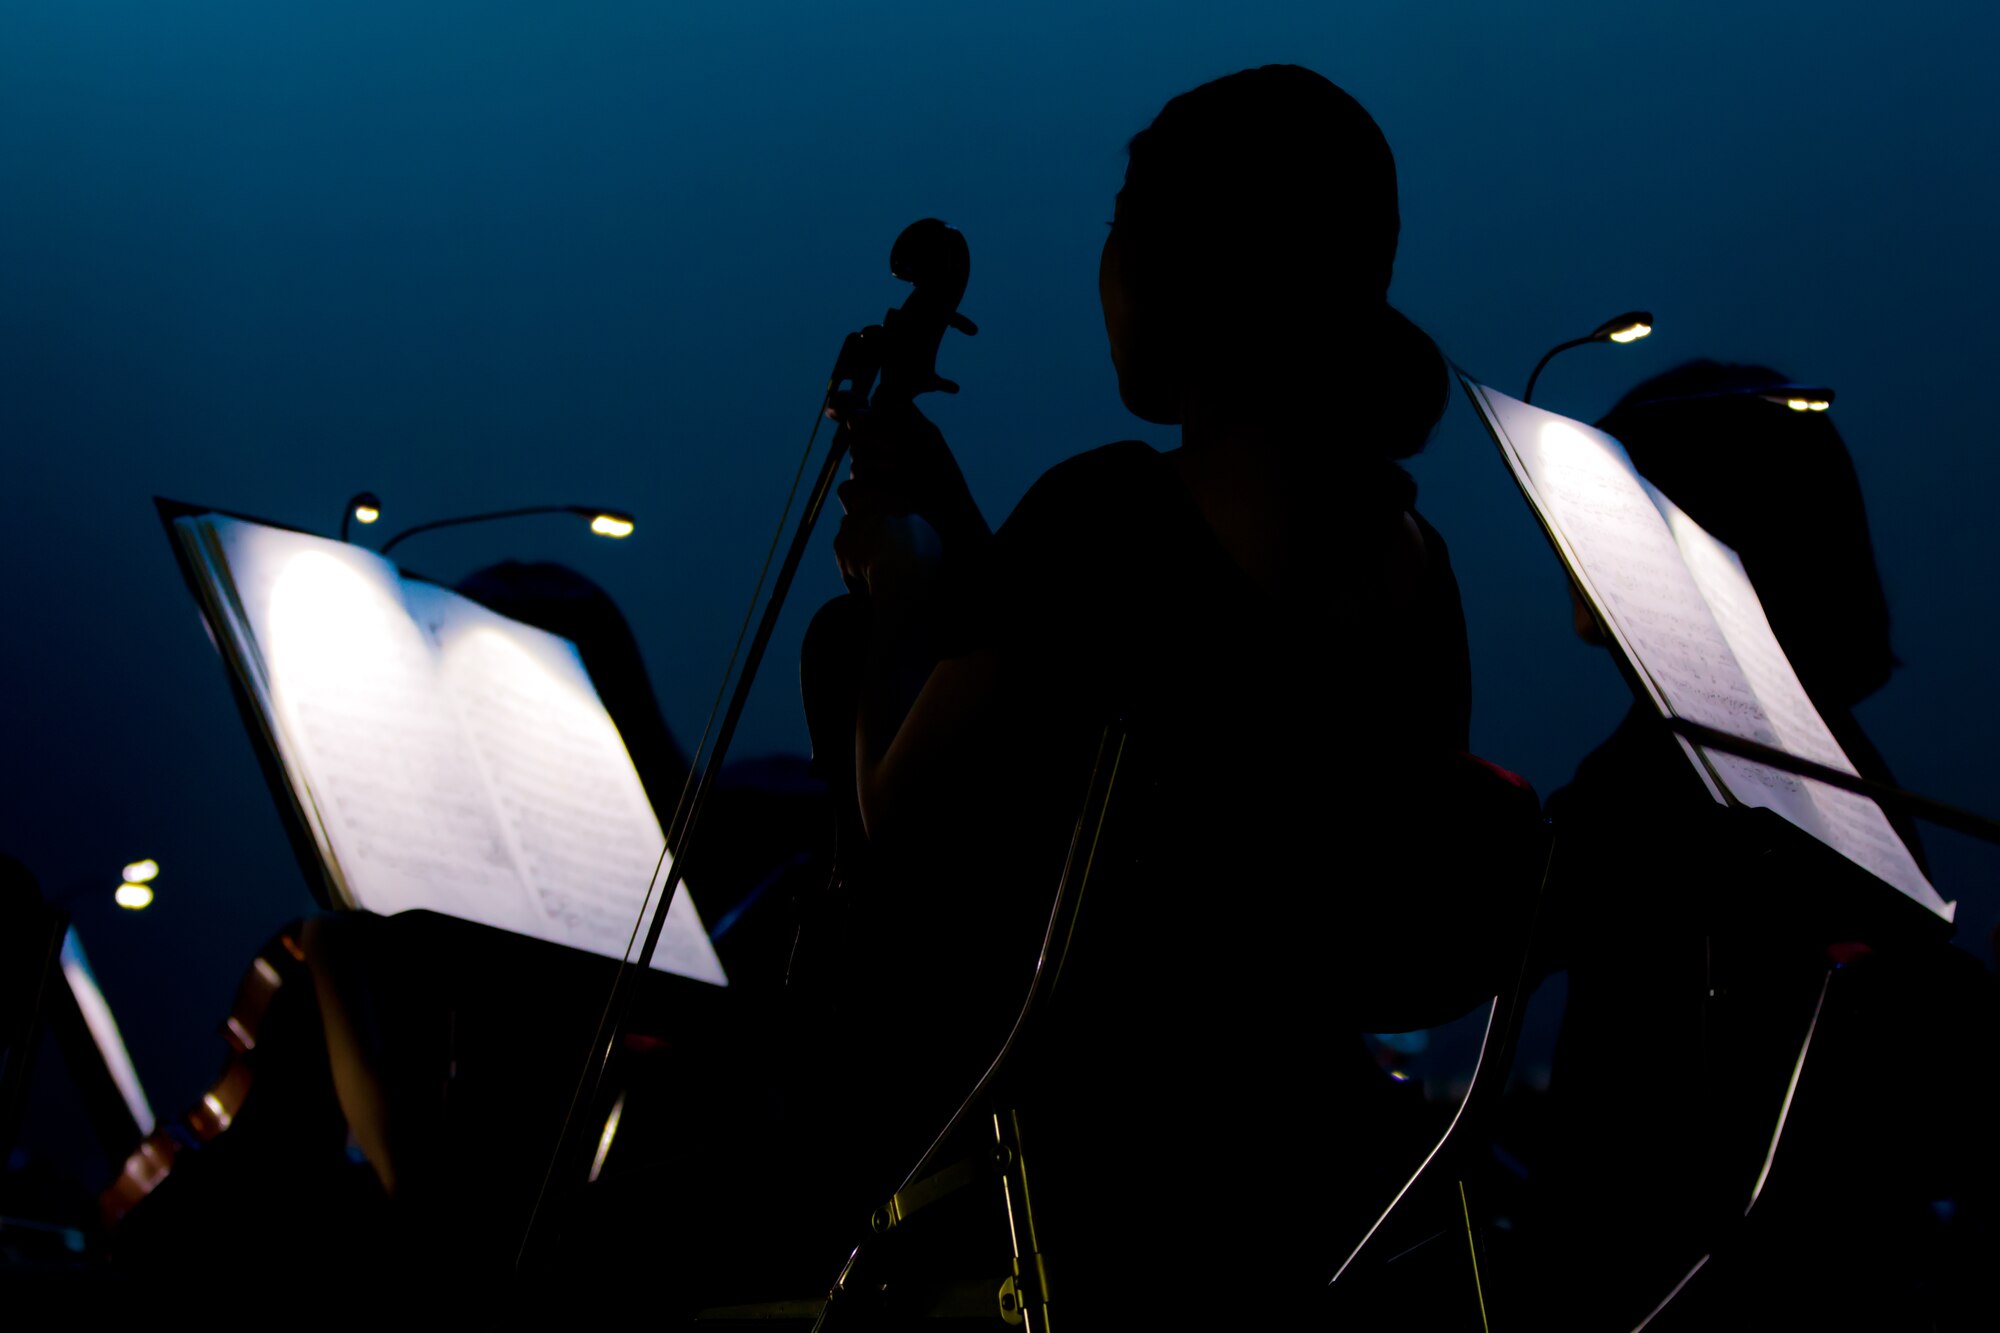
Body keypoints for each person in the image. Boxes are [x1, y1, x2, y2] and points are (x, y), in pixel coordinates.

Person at [807, 65, 1544, 1319]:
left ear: (1181, 258)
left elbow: (911, 820)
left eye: (1115, 224)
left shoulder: (1106, 516)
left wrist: (897, 592)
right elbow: (1199, 743)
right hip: (1317, 1196)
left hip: (1103, 1205)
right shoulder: (1417, 566)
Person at [1526, 362, 1996, 1330]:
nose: (1565, 537)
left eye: (1608, 504)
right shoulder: (1809, 762)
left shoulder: (1687, 775)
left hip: (1681, 1280)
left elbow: (1486, 917)